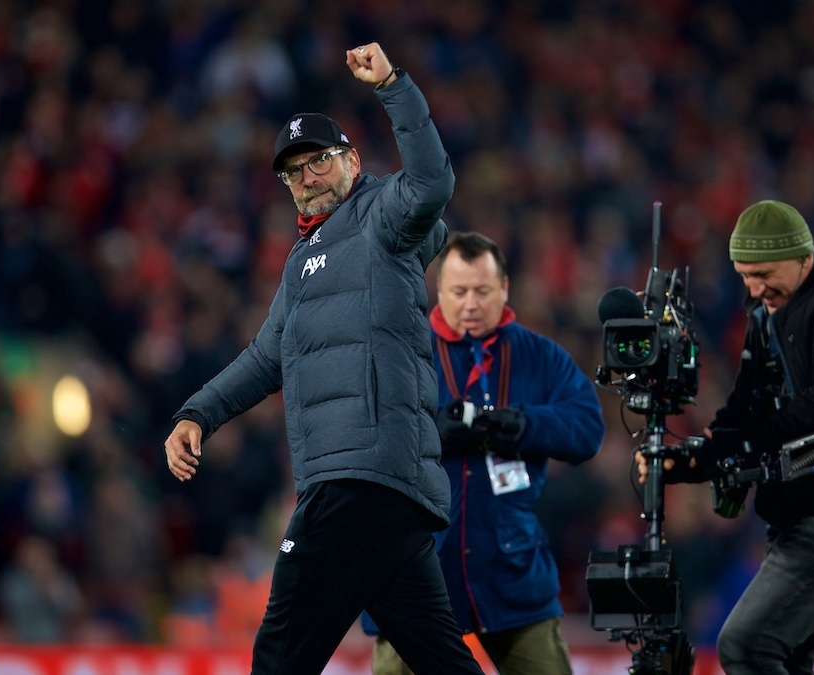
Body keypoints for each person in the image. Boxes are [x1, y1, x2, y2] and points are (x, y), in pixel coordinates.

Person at [163, 43, 484, 675]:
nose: (307, 177)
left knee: (280, 655)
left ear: (353, 161)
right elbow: (264, 358)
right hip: (386, 492)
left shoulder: (381, 216)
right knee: (443, 662)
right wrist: (197, 413)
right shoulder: (299, 264)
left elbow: (432, 181)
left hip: (356, 479)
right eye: (293, 171)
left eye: (319, 161)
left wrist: (392, 84)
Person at [638, 199, 814, 674]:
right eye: (745, 274)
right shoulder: (766, 316)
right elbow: (745, 409)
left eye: (764, 272)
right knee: (782, 657)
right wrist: (691, 460)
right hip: (795, 520)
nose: (754, 287)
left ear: (804, 256)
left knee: (746, 645)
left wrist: (737, 445)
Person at [365, 231, 605, 675]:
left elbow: (588, 429)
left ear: (505, 289)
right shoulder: (398, 350)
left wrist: (527, 425)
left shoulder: (539, 357)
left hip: (510, 569)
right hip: (416, 570)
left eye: (483, 291)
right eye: (459, 292)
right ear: (439, 292)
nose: (471, 304)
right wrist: (428, 432)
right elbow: (357, 435)